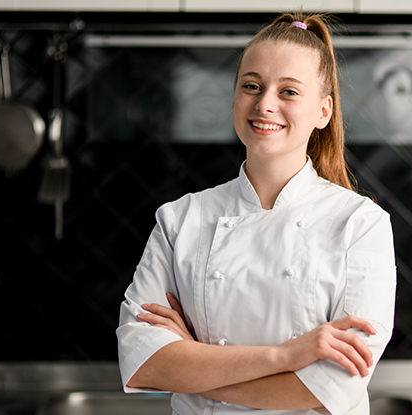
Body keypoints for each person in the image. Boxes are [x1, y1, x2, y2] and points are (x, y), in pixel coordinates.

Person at [117, 12, 397, 415]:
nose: (265, 104)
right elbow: (143, 364)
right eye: (252, 86)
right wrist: (285, 356)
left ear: (323, 112)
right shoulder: (181, 220)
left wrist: (193, 365)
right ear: (234, 99)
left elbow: (329, 390)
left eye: (289, 92)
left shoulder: (359, 225)